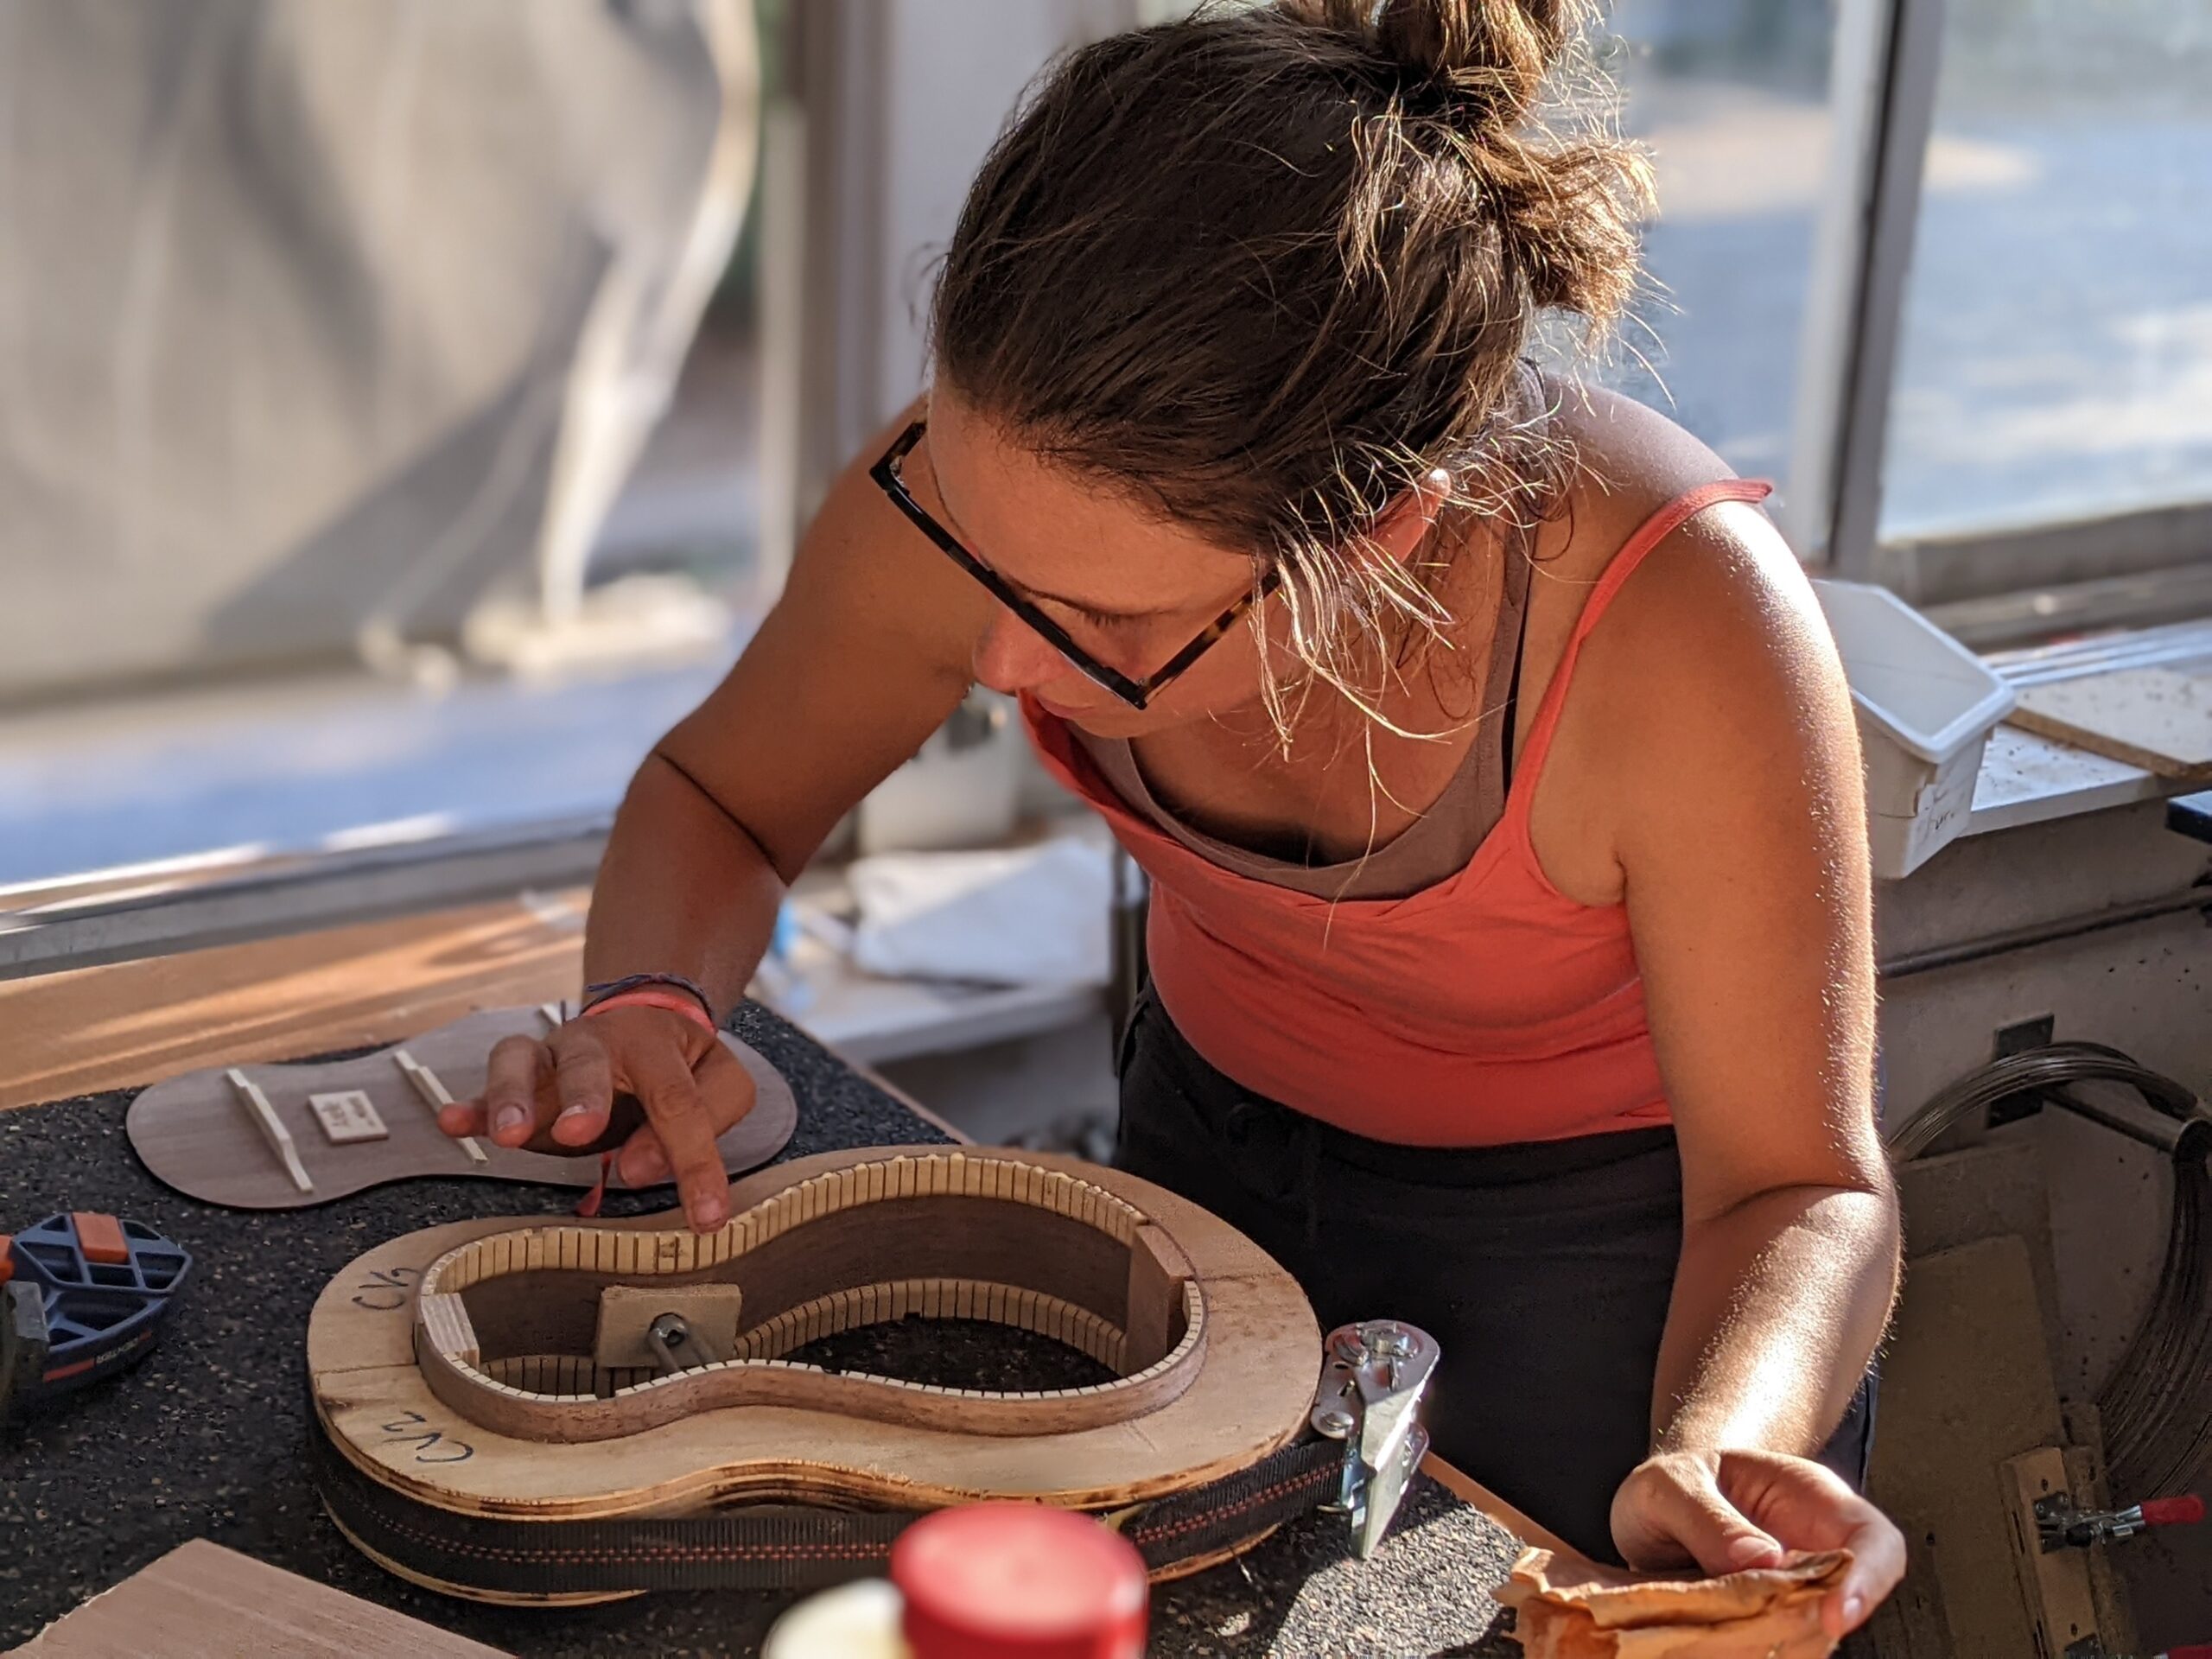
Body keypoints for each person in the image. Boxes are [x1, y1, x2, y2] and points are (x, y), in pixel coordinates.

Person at [438, 0, 1906, 1633]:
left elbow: (1796, 1188)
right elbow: (720, 794)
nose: (997, 660)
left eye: (1101, 627)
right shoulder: (978, 511)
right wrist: (648, 1002)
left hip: (1622, 1260)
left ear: (1382, 536)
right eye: (986, 567)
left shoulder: (1676, 627)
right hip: (1204, 1152)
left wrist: (1718, 1443)